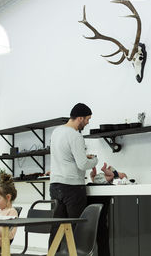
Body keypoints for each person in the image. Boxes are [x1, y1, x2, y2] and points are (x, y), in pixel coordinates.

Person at [49, 103, 98, 245]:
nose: (88, 123)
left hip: (55, 185)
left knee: (57, 228)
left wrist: (82, 156)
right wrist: (94, 160)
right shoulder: (75, 135)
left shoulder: (56, 132)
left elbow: (66, 156)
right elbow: (82, 164)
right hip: (72, 187)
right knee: (77, 228)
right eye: (87, 119)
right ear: (80, 118)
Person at [87, 163, 127, 256]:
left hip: (92, 193)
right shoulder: (106, 179)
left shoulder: (110, 178)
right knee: (102, 233)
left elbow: (119, 176)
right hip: (98, 198)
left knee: (97, 232)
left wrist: (98, 172)